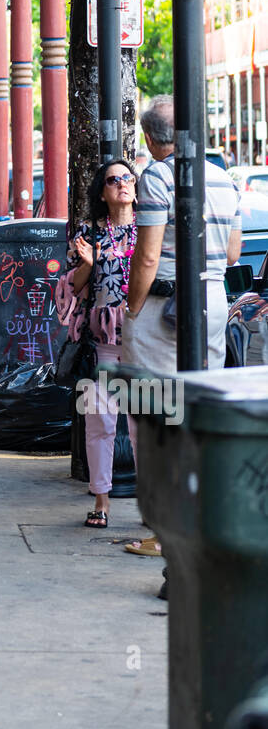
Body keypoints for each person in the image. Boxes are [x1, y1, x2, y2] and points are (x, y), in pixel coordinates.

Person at [121, 95, 242, 554]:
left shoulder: (155, 177)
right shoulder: (221, 176)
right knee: (195, 411)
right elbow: (232, 254)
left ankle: (164, 531)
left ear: (151, 140)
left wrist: (130, 310)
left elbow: (147, 256)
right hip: (210, 301)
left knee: (156, 417)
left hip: (162, 306)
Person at [55, 159, 137, 528]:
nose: (122, 183)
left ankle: (152, 505)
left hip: (142, 340)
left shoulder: (150, 230)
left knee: (144, 425)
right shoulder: (89, 232)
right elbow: (71, 287)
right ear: (102, 192)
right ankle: (101, 501)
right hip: (101, 342)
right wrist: (87, 263)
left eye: (127, 178)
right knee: (99, 423)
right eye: (112, 180)